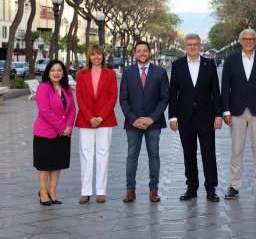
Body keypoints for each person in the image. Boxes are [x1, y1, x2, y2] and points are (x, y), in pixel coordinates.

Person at [169, 33, 222, 202]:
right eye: (189, 44)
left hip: (206, 116)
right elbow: (172, 93)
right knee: (189, 153)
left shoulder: (209, 64)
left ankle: (211, 188)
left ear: (200, 46)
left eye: (196, 44)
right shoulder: (177, 65)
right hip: (185, 118)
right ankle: (191, 188)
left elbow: (216, 91)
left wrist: (218, 115)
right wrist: (172, 117)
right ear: (185, 47)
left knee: (208, 153)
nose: (192, 47)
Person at [221, 28, 256, 199]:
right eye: (245, 39)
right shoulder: (230, 60)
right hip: (236, 111)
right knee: (237, 150)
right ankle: (234, 186)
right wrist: (226, 111)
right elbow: (225, 87)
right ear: (240, 41)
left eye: (252, 39)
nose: (248, 41)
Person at [120, 41, 169, 203]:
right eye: (139, 51)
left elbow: (164, 99)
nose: (142, 53)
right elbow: (123, 99)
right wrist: (134, 120)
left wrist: (151, 118)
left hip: (153, 122)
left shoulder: (160, 72)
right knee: (132, 155)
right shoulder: (127, 73)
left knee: (154, 155)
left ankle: (153, 189)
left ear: (150, 53)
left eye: (145, 51)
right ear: (135, 54)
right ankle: (130, 190)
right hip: (133, 123)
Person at [75, 44, 118, 204]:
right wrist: (89, 117)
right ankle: (85, 191)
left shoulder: (111, 74)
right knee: (86, 155)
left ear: (103, 56)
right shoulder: (81, 74)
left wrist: (100, 117)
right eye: (93, 54)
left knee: (103, 154)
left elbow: (113, 97)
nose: (96, 57)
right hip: (86, 119)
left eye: (99, 54)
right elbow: (79, 97)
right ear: (89, 57)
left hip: (104, 119)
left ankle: (101, 190)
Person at [33, 60, 76, 205]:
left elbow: (72, 110)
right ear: (48, 73)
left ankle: (52, 191)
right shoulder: (43, 88)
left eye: (59, 70)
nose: (56, 73)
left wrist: (68, 126)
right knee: (44, 164)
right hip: (45, 132)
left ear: (63, 72)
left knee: (57, 163)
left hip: (64, 133)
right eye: (53, 70)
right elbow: (45, 111)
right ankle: (43, 192)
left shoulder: (67, 89)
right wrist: (62, 127)